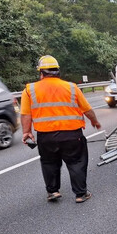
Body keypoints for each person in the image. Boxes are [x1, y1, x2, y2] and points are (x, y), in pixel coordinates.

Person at [20, 55, 102, 203]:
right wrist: (95, 122)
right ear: (58, 71)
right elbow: (87, 110)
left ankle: (53, 192)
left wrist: (27, 132)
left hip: (46, 137)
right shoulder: (71, 87)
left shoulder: (29, 90)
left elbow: (26, 114)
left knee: (49, 163)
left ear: (41, 73)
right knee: (76, 163)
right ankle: (80, 194)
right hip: (72, 135)